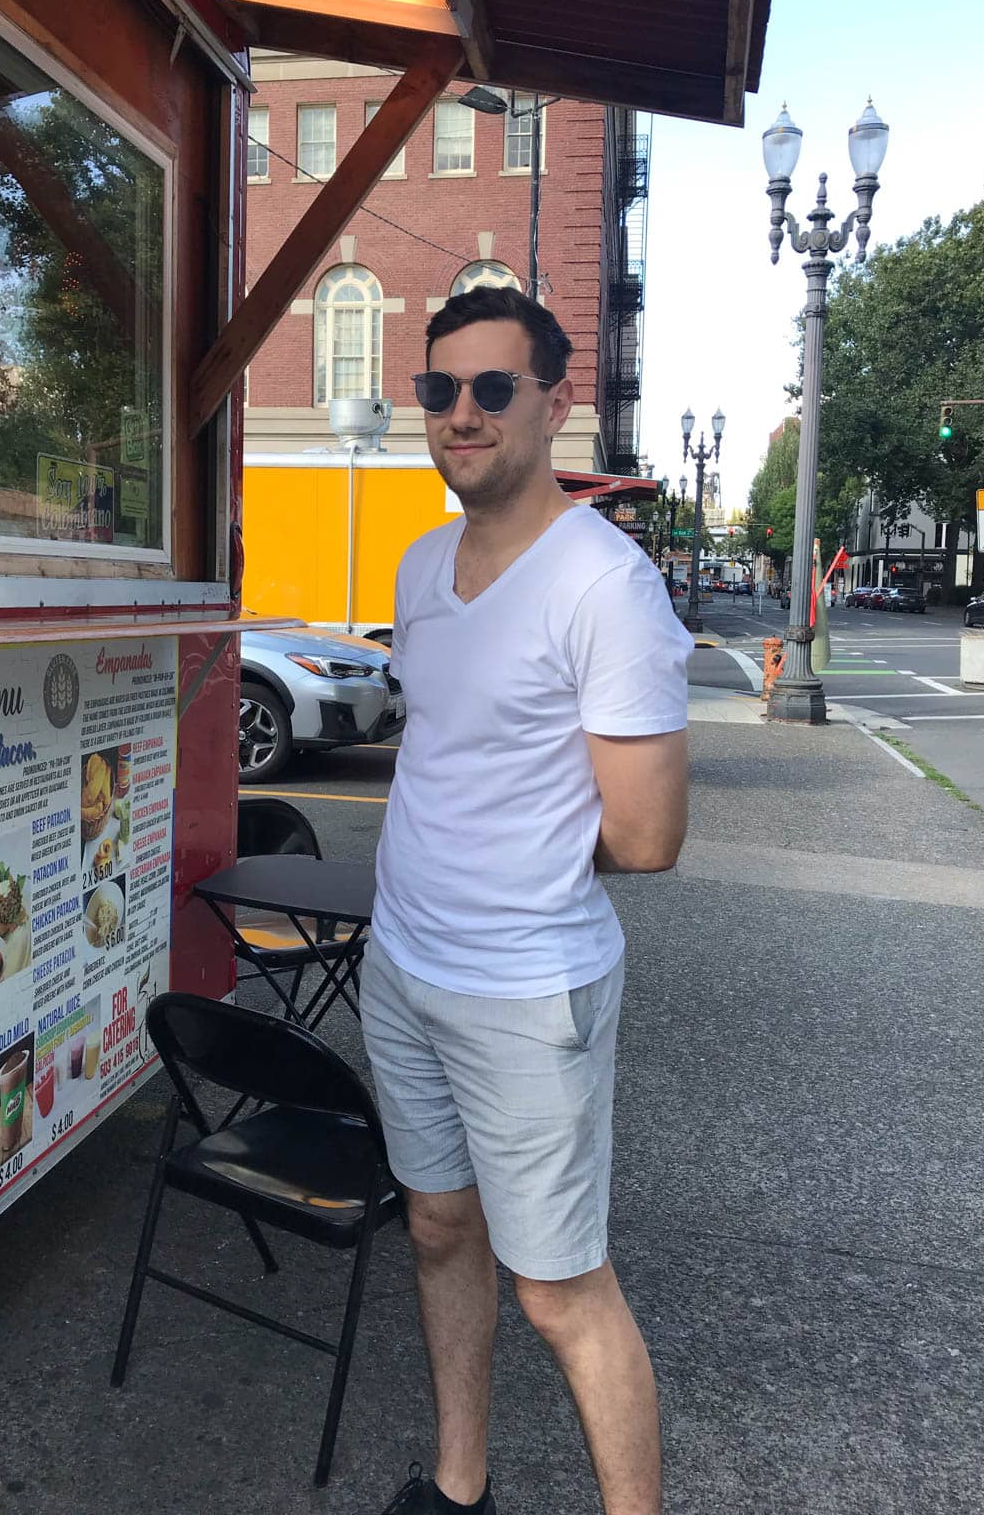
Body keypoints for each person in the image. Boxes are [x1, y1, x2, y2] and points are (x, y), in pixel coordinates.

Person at [362, 287, 692, 1515]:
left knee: (561, 1289)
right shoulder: (417, 566)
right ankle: (461, 1487)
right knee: (440, 1226)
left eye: (493, 389)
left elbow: (648, 835)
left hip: (525, 988)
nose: (461, 412)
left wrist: (524, 861)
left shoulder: (604, 585)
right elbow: (447, 752)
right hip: (403, 961)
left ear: (556, 403)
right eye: (439, 389)